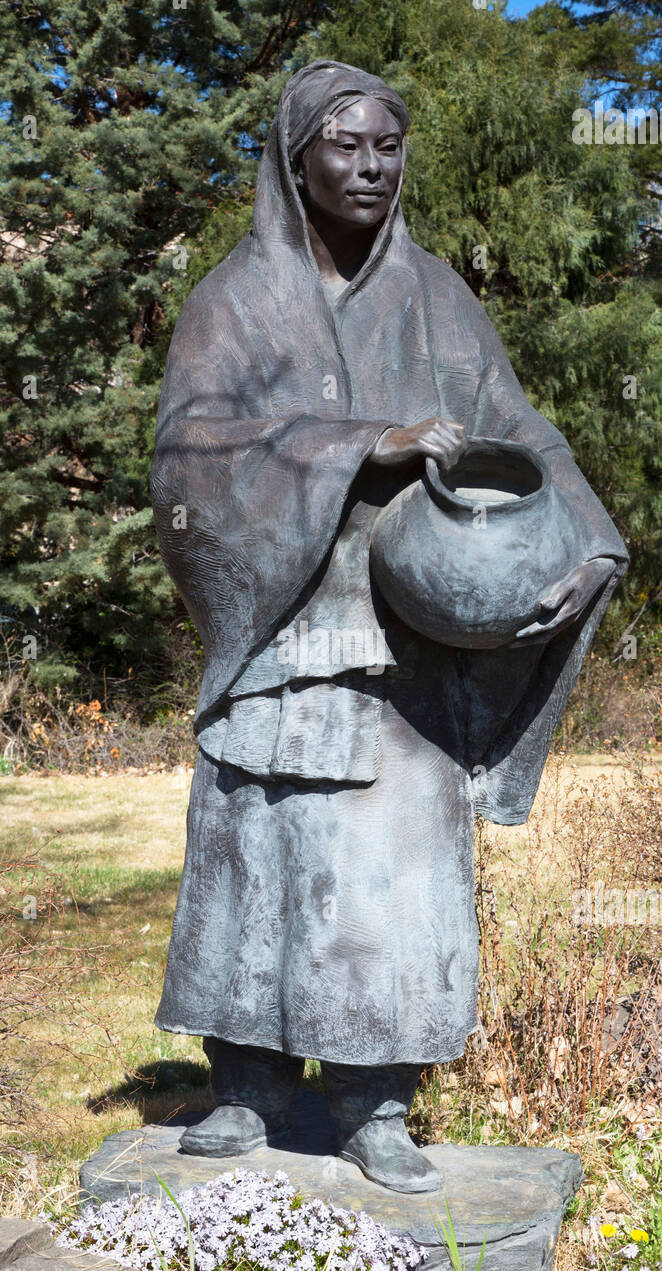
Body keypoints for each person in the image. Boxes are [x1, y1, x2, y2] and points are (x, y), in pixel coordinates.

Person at [151, 62, 627, 1193]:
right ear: (296, 157)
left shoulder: (436, 296)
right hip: (283, 637)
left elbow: (525, 432)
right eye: (345, 148)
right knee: (256, 845)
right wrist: (358, 444)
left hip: (407, 634)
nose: (369, 168)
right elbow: (186, 453)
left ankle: (374, 1102)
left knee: (395, 867)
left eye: (386, 148)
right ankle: (249, 1083)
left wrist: (590, 540)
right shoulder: (232, 299)